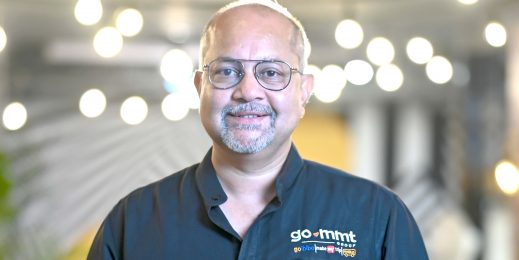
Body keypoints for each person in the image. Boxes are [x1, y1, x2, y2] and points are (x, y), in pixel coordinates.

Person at [87, 0, 429, 259]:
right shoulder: (133, 223)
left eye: (271, 72)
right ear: (199, 86)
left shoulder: (378, 218)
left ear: (304, 91)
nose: (248, 91)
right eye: (225, 71)